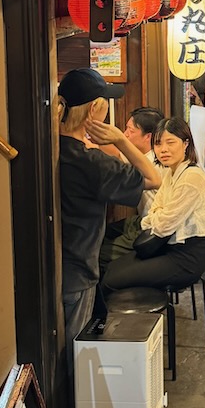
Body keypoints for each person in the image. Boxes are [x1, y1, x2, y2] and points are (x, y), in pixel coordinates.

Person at [57, 68, 161, 343]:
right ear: (93, 110)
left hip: (50, 266)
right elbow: (153, 178)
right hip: (78, 271)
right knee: (76, 351)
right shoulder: (93, 163)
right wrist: (120, 139)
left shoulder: (50, 149)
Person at [102, 117, 205, 294]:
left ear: (185, 144)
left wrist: (160, 215)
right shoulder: (171, 173)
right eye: (158, 144)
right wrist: (160, 215)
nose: (163, 149)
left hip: (186, 259)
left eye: (170, 142)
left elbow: (164, 226)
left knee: (110, 281)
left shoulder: (192, 178)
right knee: (110, 270)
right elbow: (155, 211)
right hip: (167, 247)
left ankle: (145, 311)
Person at [99, 106, 164, 270]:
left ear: (148, 137)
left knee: (101, 254)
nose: (125, 134)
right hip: (142, 220)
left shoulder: (152, 162)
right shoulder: (144, 155)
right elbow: (115, 153)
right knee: (103, 233)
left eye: (130, 130)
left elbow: (114, 152)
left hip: (155, 229)